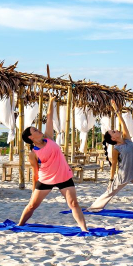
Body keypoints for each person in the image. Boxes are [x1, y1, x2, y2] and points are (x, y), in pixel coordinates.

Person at [16, 97, 88, 231]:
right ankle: (19, 225)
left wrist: (50, 102)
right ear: (31, 138)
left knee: (74, 203)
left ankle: (84, 229)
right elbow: (35, 172)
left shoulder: (48, 138)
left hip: (63, 177)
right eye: (35, 131)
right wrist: (33, 190)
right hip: (46, 180)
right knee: (32, 205)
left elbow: (49, 118)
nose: (39, 130)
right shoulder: (33, 153)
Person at [88, 99, 133, 218]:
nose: (117, 130)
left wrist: (117, 111)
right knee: (109, 193)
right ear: (113, 138)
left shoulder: (127, 139)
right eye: (114, 131)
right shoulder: (115, 149)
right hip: (124, 174)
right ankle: (93, 208)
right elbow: (114, 164)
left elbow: (124, 124)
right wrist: (111, 180)